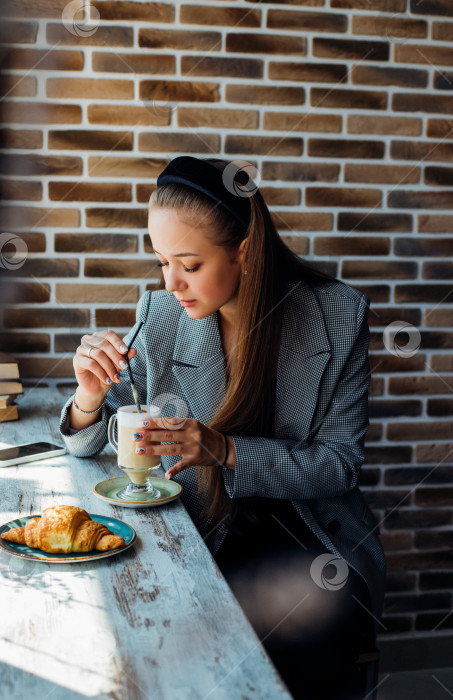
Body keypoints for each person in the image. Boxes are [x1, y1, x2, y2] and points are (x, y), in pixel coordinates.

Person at [59, 156, 386, 699]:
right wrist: (89, 397)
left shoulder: (338, 317)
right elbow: (90, 441)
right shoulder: (160, 314)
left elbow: (340, 464)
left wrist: (227, 450)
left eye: (188, 263)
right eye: (162, 261)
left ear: (243, 250)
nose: (171, 282)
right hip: (199, 524)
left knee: (281, 628)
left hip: (307, 532)